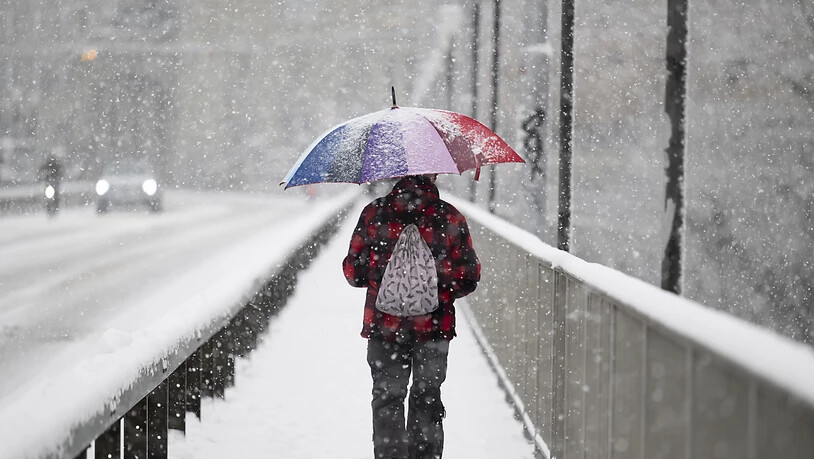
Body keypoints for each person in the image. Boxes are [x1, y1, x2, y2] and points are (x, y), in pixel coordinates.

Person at [342, 174, 480, 459]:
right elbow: (467, 278)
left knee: (387, 400)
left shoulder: (374, 213)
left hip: (384, 328)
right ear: (434, 174)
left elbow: (353, 274)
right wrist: (435, 288)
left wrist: (384, 275)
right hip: (434, 330)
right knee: (427, 398)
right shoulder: (450, 218)